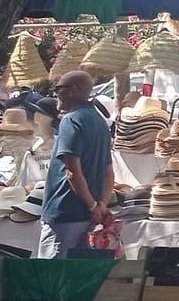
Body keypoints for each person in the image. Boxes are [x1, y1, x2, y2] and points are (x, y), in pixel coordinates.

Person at [39, 70, 112, 257]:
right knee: (75, 276)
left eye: (58, 88)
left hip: (65, 211)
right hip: (86, 215)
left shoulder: (71, 121)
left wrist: (93, 206)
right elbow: (109, 173)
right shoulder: (100, 122)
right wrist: (100, 204)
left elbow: (72, 172)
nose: (55, 93)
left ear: (73, 91)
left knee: (52, 277)